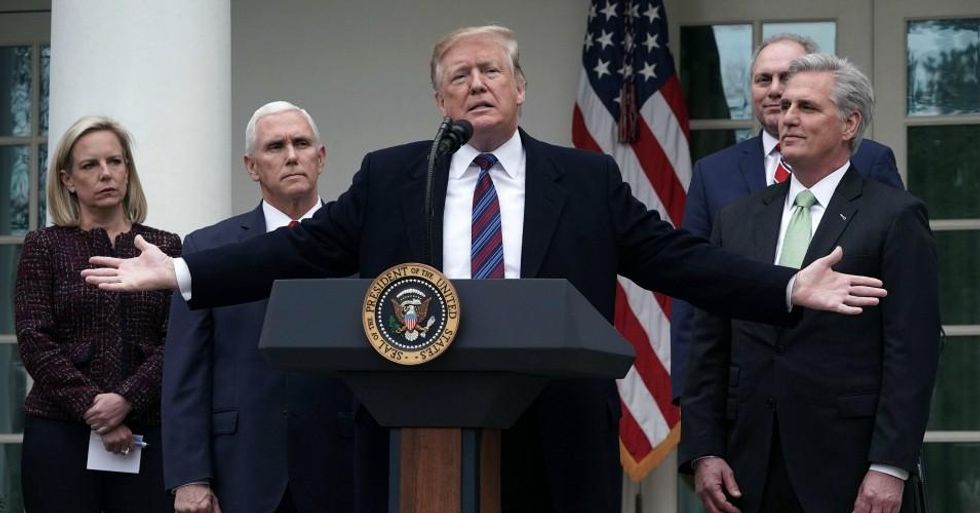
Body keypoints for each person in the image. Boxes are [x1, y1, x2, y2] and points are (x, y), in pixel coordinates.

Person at [82, 26, 886, 513]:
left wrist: (784, 285)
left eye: (491, 70)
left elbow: (679, 260)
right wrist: (187, 273)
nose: (476, 83)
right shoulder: (397, 175)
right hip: (419, 427)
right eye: (458, 75)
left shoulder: (583, 179)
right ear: (440, 98)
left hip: (557, 426)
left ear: (521, 87)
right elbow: (299, 248)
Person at [679, 54, 940, 513]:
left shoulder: (894, 216)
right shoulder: (736, 220)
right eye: (784, 106)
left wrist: (890, 466)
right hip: (749, 469)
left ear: (849, 123)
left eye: (807, 107)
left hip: (851, 468)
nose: (788, 118)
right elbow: (707, 346)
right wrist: (704, 449)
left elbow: (912, 351)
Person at [669, 33, 905, 402]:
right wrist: (694, 414)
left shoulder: (871, 161)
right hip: (746, 399)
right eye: (764, 80)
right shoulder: (713, 172)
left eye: (789, 78)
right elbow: (695, 292)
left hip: (841, 398)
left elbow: (901, 297)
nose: (777, 92)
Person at [162, 101, 355, 513]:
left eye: (301, 143)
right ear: (251, 166)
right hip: (242, 468)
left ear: (320, 158)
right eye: (275, 147)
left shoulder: (361, 245)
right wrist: (189, 476)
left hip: (341, 463)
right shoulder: (209, 249)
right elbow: (186, 372)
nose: (291, 155)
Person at [15, 116, 181, 513]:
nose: (106, 173)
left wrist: (125, 399)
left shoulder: (162, 246)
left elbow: (178, 339)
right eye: (90, 165)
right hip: (59, 432)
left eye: (115, 161)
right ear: (68, 179)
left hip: (148, 431)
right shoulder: (44, 246)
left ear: (127, 169)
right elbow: (34, 338)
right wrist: (95, 407)